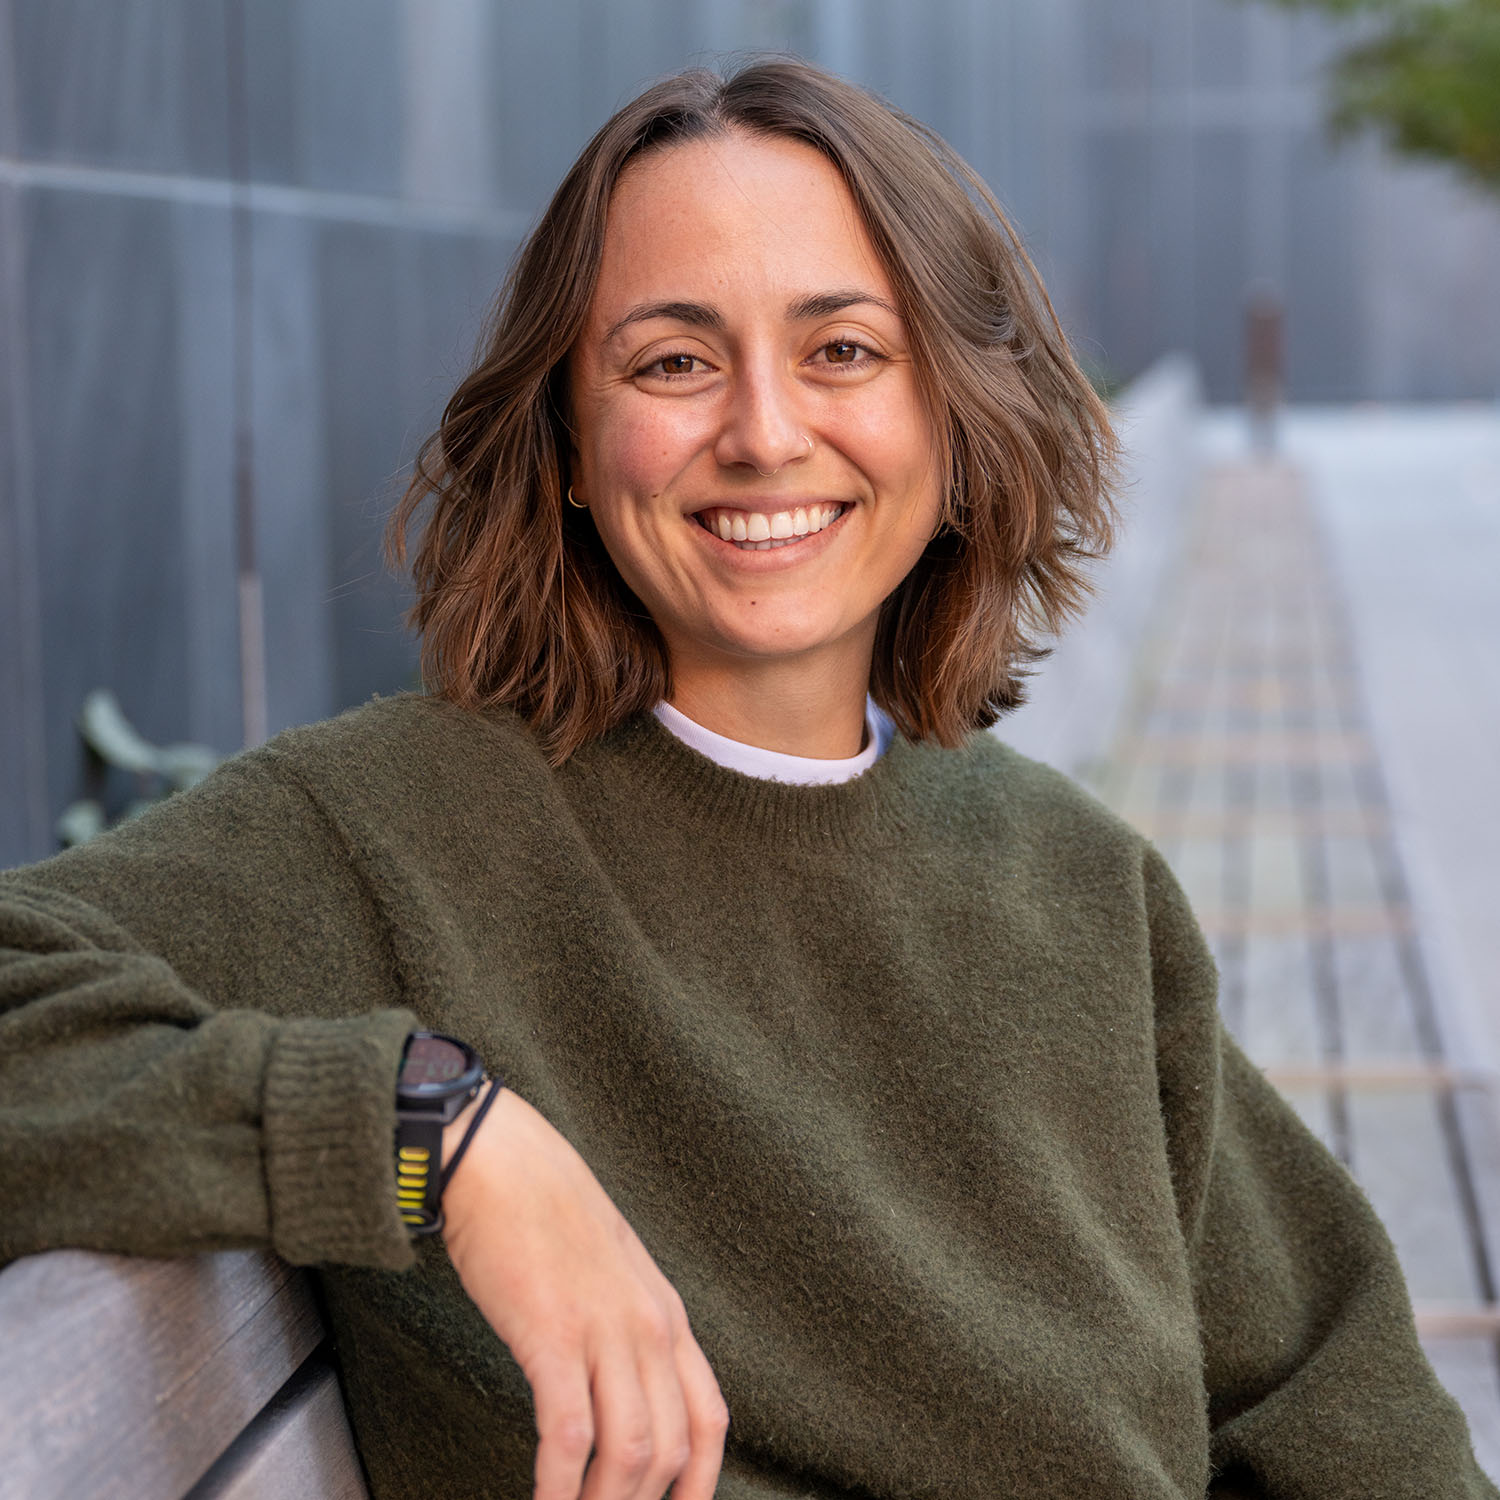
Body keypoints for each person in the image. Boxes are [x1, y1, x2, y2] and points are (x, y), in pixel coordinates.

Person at [0, 58, 1493, 1500]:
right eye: (673, 361)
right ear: (573, 445)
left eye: (844, 350)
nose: (766, 433)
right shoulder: (388, 829)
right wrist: (432, 1134)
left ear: (953, 423)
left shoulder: (1081, 886)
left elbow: (1332, 1391)